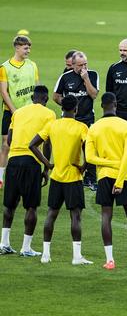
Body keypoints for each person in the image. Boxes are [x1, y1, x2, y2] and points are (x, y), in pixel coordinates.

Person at [85, 92, 127, 269]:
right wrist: (120, 179)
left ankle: (109, 260)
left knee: (106, 216)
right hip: (124, 176)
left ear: (102, 106)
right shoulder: (125, 125)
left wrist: (108, 163)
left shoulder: (94, 127)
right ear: (116, 104)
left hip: (103, 176)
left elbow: (90, 157)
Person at [29, 95, 93, 265]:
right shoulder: (81, 127)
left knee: (51, 214)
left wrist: (48, 164)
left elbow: (32, 145)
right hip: (73, 177)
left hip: (56, 176)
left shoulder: (52, 125)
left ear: (62, 109)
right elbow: (90, 149)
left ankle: (45, 255)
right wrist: (84, 166)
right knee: (75, 217)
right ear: (76, 109)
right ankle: (76, 257)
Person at [0, 85, 55, 256]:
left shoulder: (18, 113)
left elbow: (9, 140)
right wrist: (46, 167)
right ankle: (26, 247)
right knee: (31, 206)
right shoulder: (49, 114)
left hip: (13, 161)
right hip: (31, 162)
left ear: (32, 98)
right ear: (45, 99)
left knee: (10, 205)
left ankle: (4, 243)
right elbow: (47, 142)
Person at [53, 51, 99, 191]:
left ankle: (90, 179)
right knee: (68, 148)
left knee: (90, 149)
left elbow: (93, 95)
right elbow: (55, 96)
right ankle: (65, 175)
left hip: (87, 119)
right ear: (72, 65)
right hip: (69, 120)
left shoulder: (92, 74)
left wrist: (86, 79)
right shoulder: (65, 77)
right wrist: (67, 105)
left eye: (85, 64)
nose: (83, 67)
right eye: (80, 65)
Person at [0, 35, 39, 188]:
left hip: (29, 112)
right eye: (25, 48)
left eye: (29, 47)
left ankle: (26, 176)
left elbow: (37, 87)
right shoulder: (5, 67)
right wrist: (14, 111)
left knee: (29, 144)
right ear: (17, 48)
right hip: (11, 112)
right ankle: (1, 177)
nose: (28, 50)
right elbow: (4, 92)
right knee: (6, 144)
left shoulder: (32, 65)